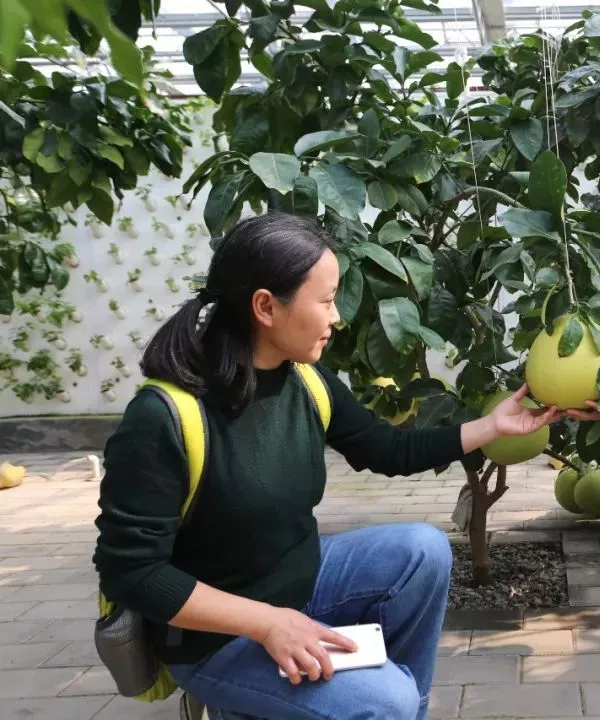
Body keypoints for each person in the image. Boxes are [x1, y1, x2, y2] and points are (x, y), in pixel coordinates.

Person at [92, 212, 563, 720]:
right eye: (326, 300)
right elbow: (132, 574)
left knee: (423, 551)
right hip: (213, 639)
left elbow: (387, 450)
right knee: (385, 700)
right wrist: (267, 623)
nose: (337, 317)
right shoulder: (165, 417)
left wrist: (492, 427)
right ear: (266, 306)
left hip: (299, 584)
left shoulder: (306, 381)